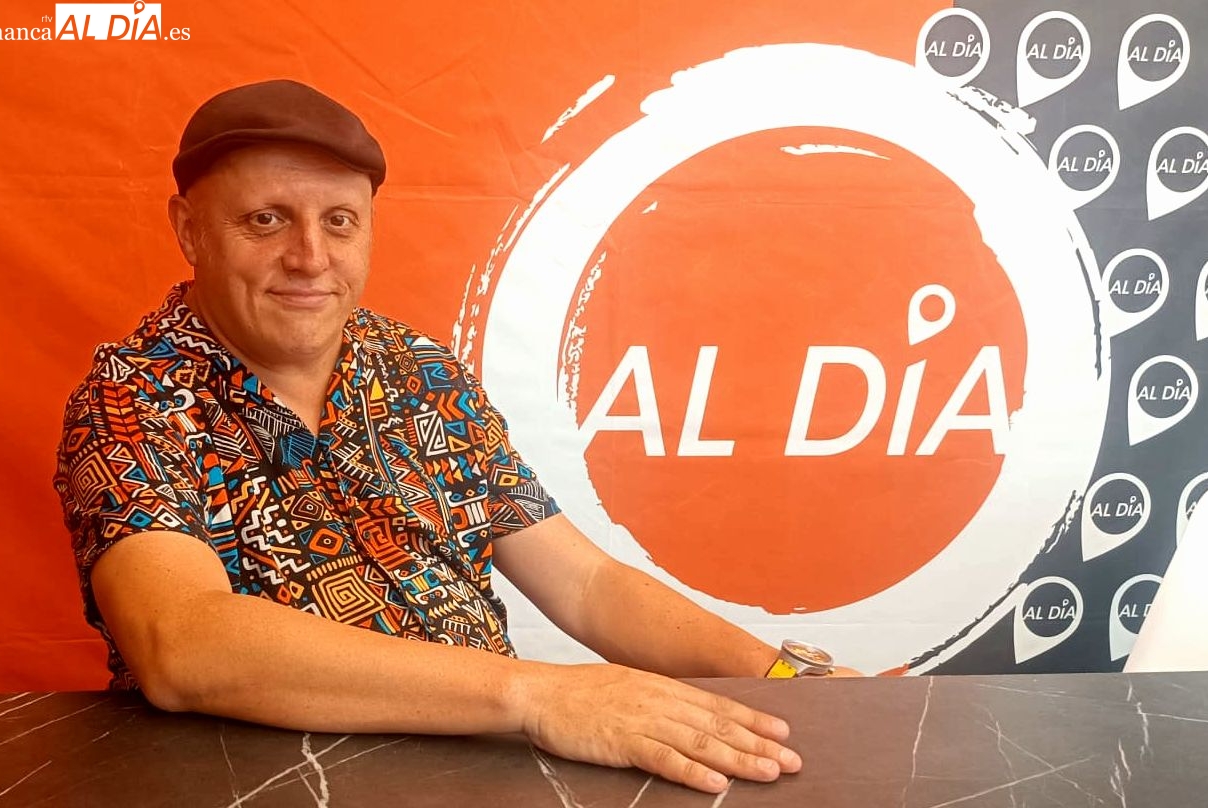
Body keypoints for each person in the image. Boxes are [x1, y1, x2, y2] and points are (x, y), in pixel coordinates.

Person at [54, 79, 841, 794]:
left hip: (485, 774)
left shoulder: (419, 368)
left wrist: (783, 680)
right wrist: (540, 695)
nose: (310, 258)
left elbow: (584, 584)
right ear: (190, 230)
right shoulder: (131, 396)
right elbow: (182, 642)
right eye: (266, 220)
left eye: (339, 222)